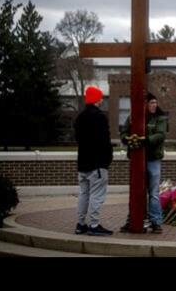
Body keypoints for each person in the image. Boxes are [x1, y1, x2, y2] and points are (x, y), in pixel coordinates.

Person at [119, 92, 168, 234]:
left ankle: (156, 222)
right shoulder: (133, 117)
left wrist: (145, 140)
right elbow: (124, 133)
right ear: (145, 104)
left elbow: (160, 135)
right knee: (136, 191)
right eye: (151, 102)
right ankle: (132, 219)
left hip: (153, 159)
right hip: (137, 159)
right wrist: (128, 139)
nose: (154, 105)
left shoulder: (159, 118)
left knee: (153, 192)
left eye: (155, 102)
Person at [72, 85, 113, 236]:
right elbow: (105, 140)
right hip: (97, 164)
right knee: (97, 195)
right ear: (96, 99)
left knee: (84, 194)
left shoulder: (80, 118)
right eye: (100, 97)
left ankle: (80, 224)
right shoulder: (100, 117)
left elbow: (78, 139)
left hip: (82, 163)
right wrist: (107, 159)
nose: (102, 100)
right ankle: (94, 225)